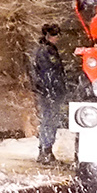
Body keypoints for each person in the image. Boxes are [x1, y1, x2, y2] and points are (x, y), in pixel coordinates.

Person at [31, 23, 68, 164]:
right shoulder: (46, 51)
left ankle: (45, 151)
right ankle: (46, 151)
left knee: (48, 120)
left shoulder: (47, 50)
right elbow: (49, 74)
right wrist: (53, 90)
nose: (57, 38)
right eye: (54, 35)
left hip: (47, 91)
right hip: (49, 91)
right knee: (49, 120)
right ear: (48, 36)